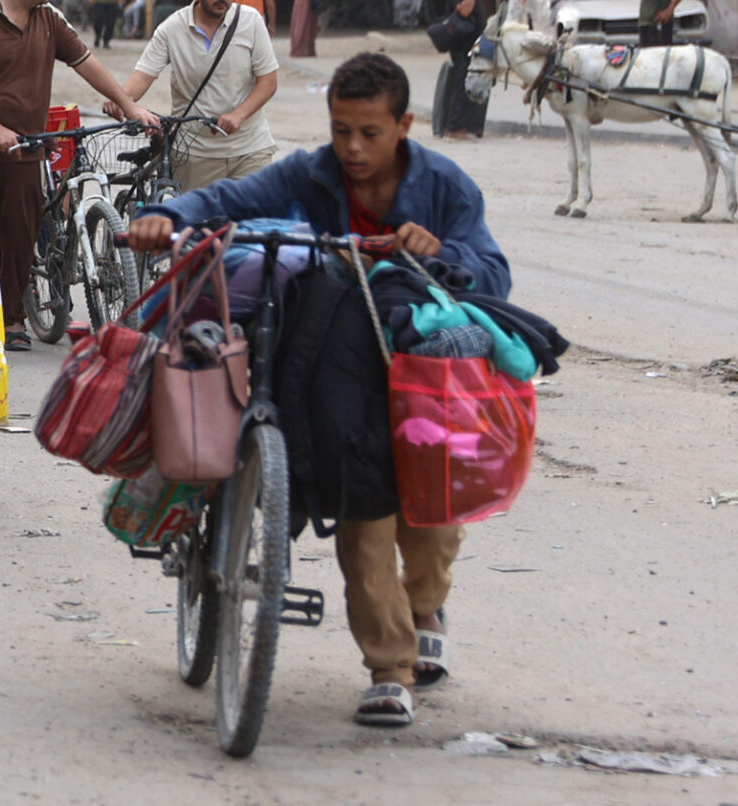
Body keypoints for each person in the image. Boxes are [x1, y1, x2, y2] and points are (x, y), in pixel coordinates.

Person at [127, 52, 509, 730]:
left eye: (369, 133)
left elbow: (493, 276)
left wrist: (441, 256)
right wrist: (165, 215)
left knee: (430, 520)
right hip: (339, 370)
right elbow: (226, 201)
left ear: (403, 126)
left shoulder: (447, 187)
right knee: (362, 506)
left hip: (426, 383)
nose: (353, 149)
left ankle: (425, 608)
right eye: (341, 132)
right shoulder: (313, 172)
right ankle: (390, 671)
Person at [0, 0, 158, 354]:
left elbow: (87, 63)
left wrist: (130, 106)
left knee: (22, 234)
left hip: (29, 147)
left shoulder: (50, 20)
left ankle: (12, 319)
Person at [124, 0, 280, 191]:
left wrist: (239, 115)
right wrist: (122, 100)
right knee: (197, 226)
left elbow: (268, 81)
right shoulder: (171, 29)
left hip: (251, 149)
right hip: (195, 155)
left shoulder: (251, 21)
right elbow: (143, 76)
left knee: (252, 225)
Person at [433, 0, 491, 140]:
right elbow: (464, 12)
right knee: (461, 87)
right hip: (461, 48)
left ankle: (468, 124)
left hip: (475, 48)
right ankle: (454, 127)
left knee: (472, 86)